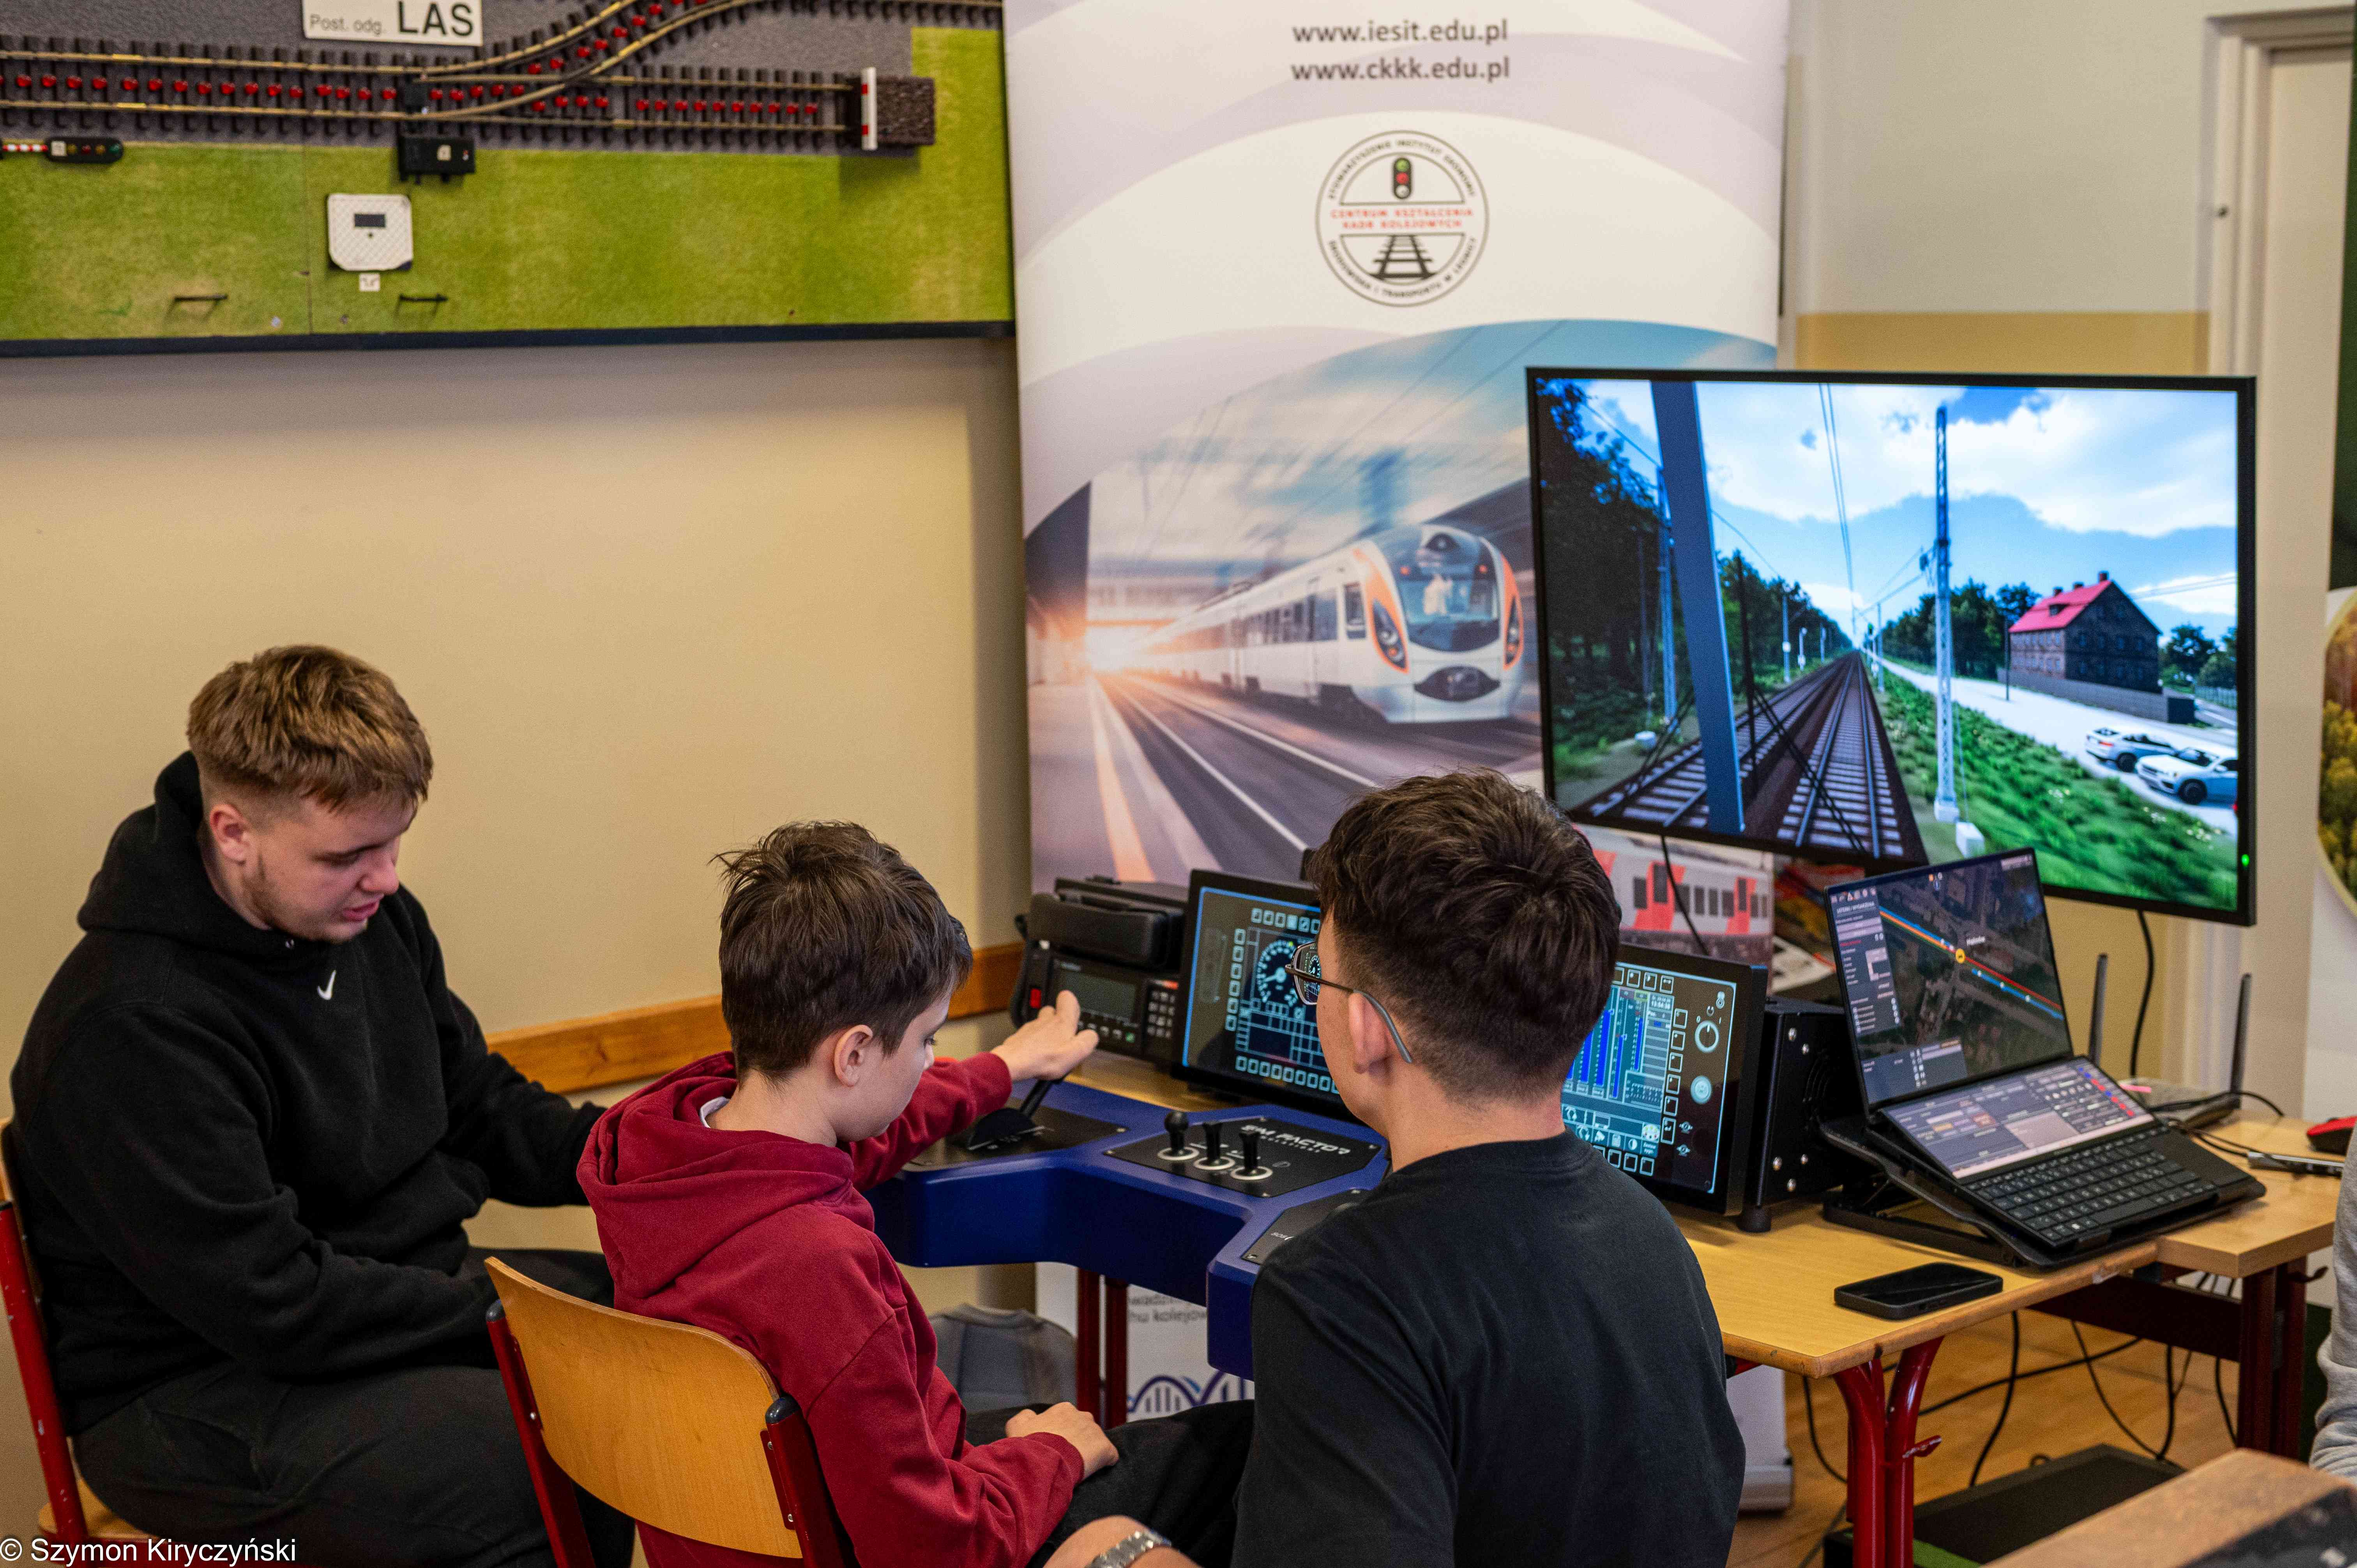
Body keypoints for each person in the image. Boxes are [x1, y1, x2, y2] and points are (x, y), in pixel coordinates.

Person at [12, 645, 633, 1568]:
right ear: (233, 831)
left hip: (377, 1302)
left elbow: (478, 1106)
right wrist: (502, 1311)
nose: (385, 878)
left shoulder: (370, 918)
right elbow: (274, 1302)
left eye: (394, 841)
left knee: (664, 1331)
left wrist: (670, 1154)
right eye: (347, 855)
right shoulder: (130, 1024)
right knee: (536, 1462)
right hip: (192, 1387)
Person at [1049, 769, 1743, 1568]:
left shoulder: (1340, 1292)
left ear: (1366, 1029)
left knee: (1092, 1533)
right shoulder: (1656, 1241)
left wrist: (1119, 1551)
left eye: (1317, 974)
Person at [579, 821, 1252, 1568]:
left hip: (770, 1529)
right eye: (928, 1039)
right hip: (923, 1534)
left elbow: (855, 1134)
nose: (931, 1059)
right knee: (1239, 1443)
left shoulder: (656, 1153)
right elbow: (931, 1547)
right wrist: (1049, 1456)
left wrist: (1001, 1069)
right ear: (854, 1053)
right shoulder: (818, 1266)